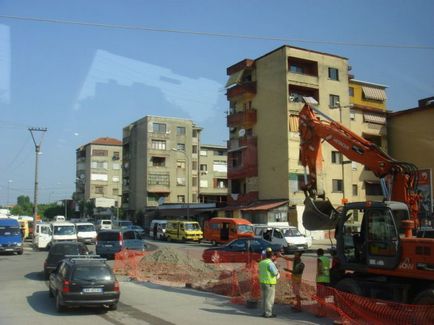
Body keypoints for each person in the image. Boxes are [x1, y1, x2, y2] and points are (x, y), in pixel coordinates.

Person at [258, 247, 280, 318]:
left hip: (262, 282)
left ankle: (264, 312)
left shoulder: (261, 262)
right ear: (271, 256)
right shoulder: (270, 263)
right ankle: (268, 313)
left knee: (264, 298)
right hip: (270, 283)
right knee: (269, 299)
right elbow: (275, 273)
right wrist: (278, 272)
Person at [316, 248, 331, 317]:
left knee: (320, 297)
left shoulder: (319, 259)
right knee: (323, 297)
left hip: (320, 279)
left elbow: (320, 268)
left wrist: (318, 274)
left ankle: (320, 313)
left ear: (317, 253)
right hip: (326, 278)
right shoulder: (327, 259)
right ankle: (324, 312)